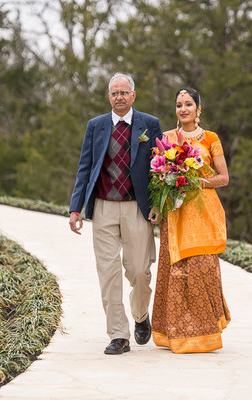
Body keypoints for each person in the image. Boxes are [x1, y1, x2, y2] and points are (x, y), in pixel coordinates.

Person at [69, 73, 163, 355]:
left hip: (138, 208)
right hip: (104, 207)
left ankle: (140, 315)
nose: (119, 97)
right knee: (108, 273)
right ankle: (119, 335)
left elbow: (160, 168)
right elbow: (84, 168)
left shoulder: (149, 124)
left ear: (134, 95)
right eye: (114, 93)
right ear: (108, 97)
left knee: (138, 271)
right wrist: (76, 208)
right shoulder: (96, 126)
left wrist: (158, 203)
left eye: (124, 92)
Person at [150, 87, 231, 353]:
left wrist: (194, 179)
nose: (183, 109)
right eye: (178, 104)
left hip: (202, 213)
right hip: (175, 213)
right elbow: (157, 175)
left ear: (198, 109)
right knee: (175, 269)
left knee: (202, 267)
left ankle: (206, 333)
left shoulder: (210, 138)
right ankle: (173, 334)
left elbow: (223, 178)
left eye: (188, 104)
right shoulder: (167, 138)